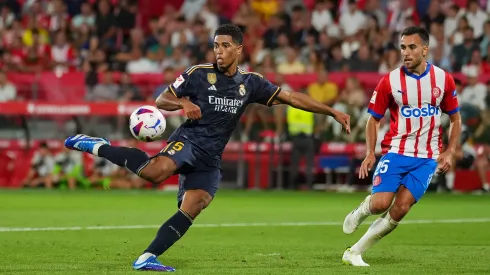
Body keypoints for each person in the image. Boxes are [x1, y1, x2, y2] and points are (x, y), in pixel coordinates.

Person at [64, 24, 351, 272]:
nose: (219, 51)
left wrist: (333, 112)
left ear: (239, 50)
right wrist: (184, 103)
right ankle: (99, 146)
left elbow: (291, 98)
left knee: (194, 206)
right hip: (188, 142)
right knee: (154, 172)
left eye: (225, 46)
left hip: (211, 157)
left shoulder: (251, 83)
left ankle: (147, 256)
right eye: (216, 45)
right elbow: (162, 99)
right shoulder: (198, 74)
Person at [341, 26, 462, 266]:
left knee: (401, 208)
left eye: (412, 47)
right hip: (396, 152)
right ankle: (362, 209)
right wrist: (369, 153)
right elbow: (373, 119)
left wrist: (449, 150)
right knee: (381, 204)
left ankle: (354, 252)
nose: (406, 52)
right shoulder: (390, 80)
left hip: (427, 158)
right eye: (403, 47)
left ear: (425, 49)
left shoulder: (443, 79)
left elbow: (455, 118)